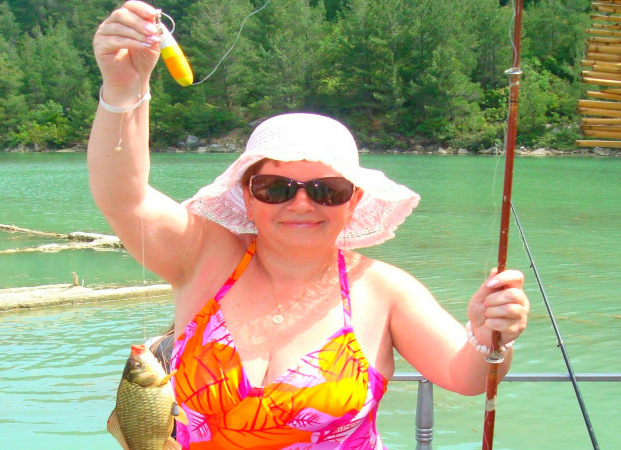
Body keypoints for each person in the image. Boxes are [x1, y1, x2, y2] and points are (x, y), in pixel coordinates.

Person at [88, 2, 530, 448]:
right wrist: (124, 87)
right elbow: (125, 197)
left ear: (354, 201)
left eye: (327, 190)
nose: (301, 203)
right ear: (247, 194)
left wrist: (490, 335)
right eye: (276, 187)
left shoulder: (385, 290)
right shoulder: (204, 255)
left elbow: (467, 376)